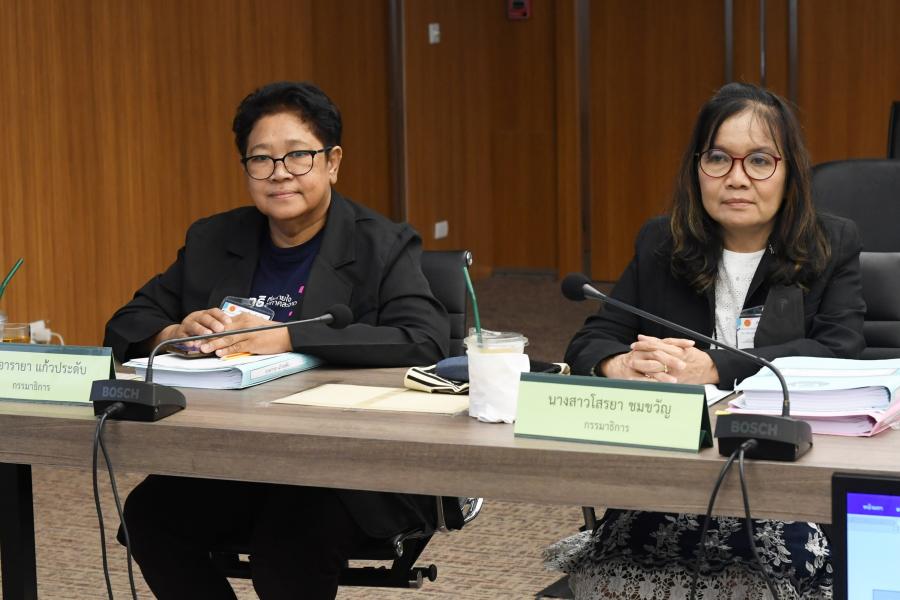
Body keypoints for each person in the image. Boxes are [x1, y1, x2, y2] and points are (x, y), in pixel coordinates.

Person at [104, 81, 455, 600]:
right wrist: (173, 331)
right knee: (149, 516)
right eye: (261, 159)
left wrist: (286, 337)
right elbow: (126, 323)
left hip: (346, 467)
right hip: (238, 456)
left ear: (332, 162)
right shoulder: (213, 239)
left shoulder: (381, 243)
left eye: (298, 155)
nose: (279, 172)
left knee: (288, 544)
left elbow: (423, 339)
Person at [547, 82, 864, 599]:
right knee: (607, 576)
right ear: (697, 168)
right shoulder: (662, 242)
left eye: (759, 161)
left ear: (789, 173)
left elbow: (839, 352)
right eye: (718, 158)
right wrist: (620, 364)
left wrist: (714, 368)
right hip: (668, 481)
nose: (737, 178)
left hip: (782, 484)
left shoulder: (829, 244)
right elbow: (594, 338)